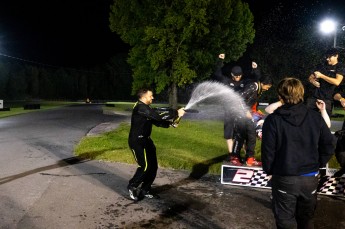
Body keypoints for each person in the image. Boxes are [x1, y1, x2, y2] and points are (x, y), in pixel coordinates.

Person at [261, 78, 336, 229]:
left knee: (285, 220)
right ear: (301, 93)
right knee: (306, 220)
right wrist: (318, 163)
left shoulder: (273, 120)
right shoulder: (314, 117)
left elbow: (268, 151)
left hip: (285, 177)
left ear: (280, 96)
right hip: (308, 178)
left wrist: (270, 170)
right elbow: (329, 143)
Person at [127, 88, 185, 201]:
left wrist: (173, 121)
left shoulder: (146, 109)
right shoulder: (140, 107)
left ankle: (145, 189)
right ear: (143, 97)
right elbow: (157, 115)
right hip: (137, 141)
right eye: (150, 96)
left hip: (146, 140)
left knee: (153, 167)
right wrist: (176, 112)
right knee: (144, 166)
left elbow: (157, 121)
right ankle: (132, 186)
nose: (152, 98)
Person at [213, 53, 261, 162]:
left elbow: (256, 79)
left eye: (239, 75)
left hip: (241, 112)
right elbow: (217, 74)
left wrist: (255, 69)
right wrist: (220, 61)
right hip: (229, 111)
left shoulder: (244, 82)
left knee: (242, 134)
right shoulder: (227, 81)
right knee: (229, 134)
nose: (238, 78)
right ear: (232, 74)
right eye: (236, 76)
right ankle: (232, 155)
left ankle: (246, 156)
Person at [231, 76, 272, 166]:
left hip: (247, 115)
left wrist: (255, 112)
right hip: (239, 114)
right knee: (240, 135)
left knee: (252, 136)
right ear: (263, 83)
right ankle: (234, 157)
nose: (267, 89)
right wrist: (245, 111)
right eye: (267, 87)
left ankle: (250, 158)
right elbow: (239, 98)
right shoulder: (253, 86)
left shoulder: (257, 89)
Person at [307, 48, 345, 116]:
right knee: (308, 121)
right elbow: (310, 77)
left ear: (336, 56)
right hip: (313, 98)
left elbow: (337, 82)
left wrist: (322, 76)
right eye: (327, 57)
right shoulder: (322, 65)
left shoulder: (340, 66)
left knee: (324, 123)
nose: (327, 59)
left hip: (327, 99)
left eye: (329, 57)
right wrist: (313, 81)